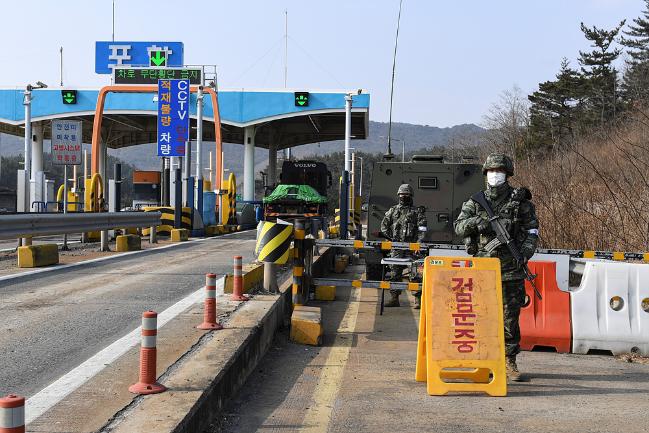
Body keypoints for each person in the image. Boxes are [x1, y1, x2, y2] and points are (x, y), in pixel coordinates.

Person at [454, 153, 539, 382]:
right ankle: (484, 359)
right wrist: (476, 223)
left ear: (507, 174)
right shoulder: (475, 201)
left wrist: (525, 253)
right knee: (481, 316)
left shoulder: (520, 202)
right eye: (492, 171)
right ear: (485, 174)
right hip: (482, 268)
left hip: (511, 268)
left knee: (510, 317)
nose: (495, 174)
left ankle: (509, 361)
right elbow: (459, 227)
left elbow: (532, 231)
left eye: (500, 171)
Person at [380, 184, 428, 309]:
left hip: (412, 247)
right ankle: (394, 298)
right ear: (398, 196)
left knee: (415, 273)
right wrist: (391, 239)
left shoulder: (417, 212)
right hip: (396, 247)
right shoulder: (393, 210)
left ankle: (418, 300)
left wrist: (419, 243)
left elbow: (422, 229)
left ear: (411, 196)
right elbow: (384, 226)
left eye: (406, 195)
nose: (404, 197)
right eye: (401, 195)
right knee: (395, 273)